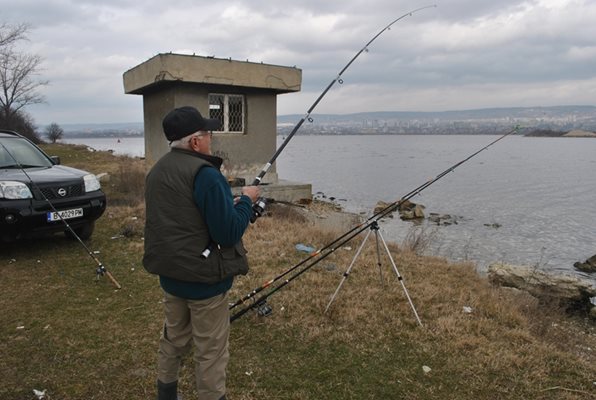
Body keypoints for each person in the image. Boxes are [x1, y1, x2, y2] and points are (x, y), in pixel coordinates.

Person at [143, 106, 260, 400]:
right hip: (204, 281)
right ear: (195, 142)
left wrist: (225, 205)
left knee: (173, 338)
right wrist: (246, 202)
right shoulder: (206, 175)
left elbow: (183, 218)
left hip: (171, 274)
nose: (211, 139)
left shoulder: (157, 171)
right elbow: (228, 233)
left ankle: (166, 394)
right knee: (210, 350)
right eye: (208, 134)